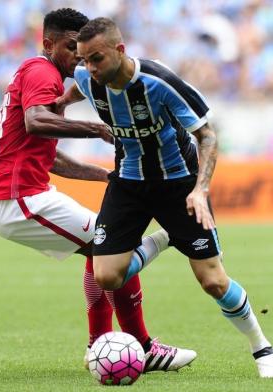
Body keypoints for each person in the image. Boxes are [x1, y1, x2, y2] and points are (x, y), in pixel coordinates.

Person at [0, 8, 196, 373]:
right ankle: (144, 347)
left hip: (15, 195)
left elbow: (49, 159)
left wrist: (105, 176)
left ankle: (99, 344)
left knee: (102, 247)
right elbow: (35, 122)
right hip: (17, 199)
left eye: (80, 49)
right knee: (110, 246)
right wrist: (94, 129)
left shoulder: (36, 72)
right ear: (48, 43)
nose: (78, 57)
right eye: (69, 47)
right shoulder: (42, 72)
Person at [56, 17, 273, 377]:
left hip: (178, 184)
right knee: (107, 275)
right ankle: (167, 237)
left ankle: (261, 347)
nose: (89, 68)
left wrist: (200, 191)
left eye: (96, 59)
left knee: (213, 281)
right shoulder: (87, 77)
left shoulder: (160, 83)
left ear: (120, 51)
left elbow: (207, 136)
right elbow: (80, 86)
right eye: (83, 60)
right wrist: (63, 100)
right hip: (128, 182)